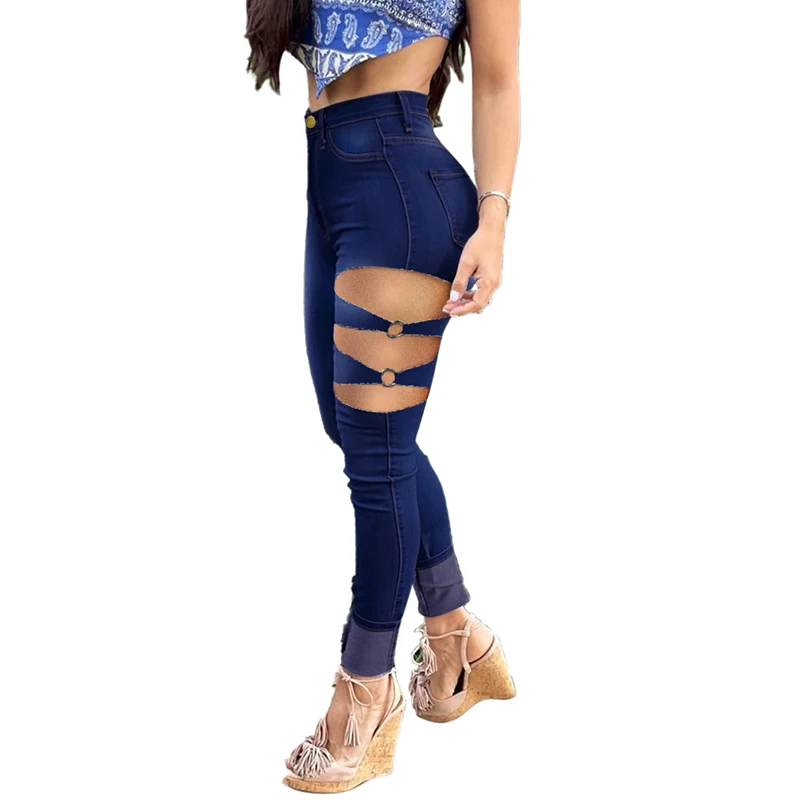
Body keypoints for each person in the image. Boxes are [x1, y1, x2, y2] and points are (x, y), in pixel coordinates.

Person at [245, 0, 521, 791]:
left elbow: (497, 79)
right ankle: (457, 636)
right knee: (357, 433)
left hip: (401, 191)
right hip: (331, 183)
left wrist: (495, 222)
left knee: (377, 454)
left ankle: (364, 690)